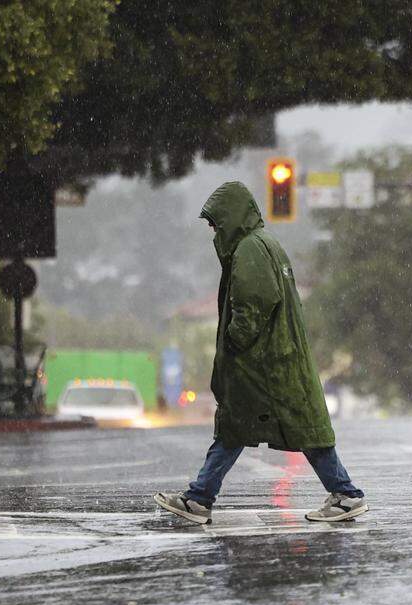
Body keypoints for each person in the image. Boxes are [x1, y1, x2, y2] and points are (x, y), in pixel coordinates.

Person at [154, 182, 367, 525]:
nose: (214, 231)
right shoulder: (266, 244)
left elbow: (253, 305)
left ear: (232, 218)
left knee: (291, 427)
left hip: (265, 364)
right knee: (253, 427)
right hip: (276, 359)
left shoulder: (250, 249)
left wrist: (235, 343)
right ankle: (199, 497)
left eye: (216, 223)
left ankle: (346, 494)